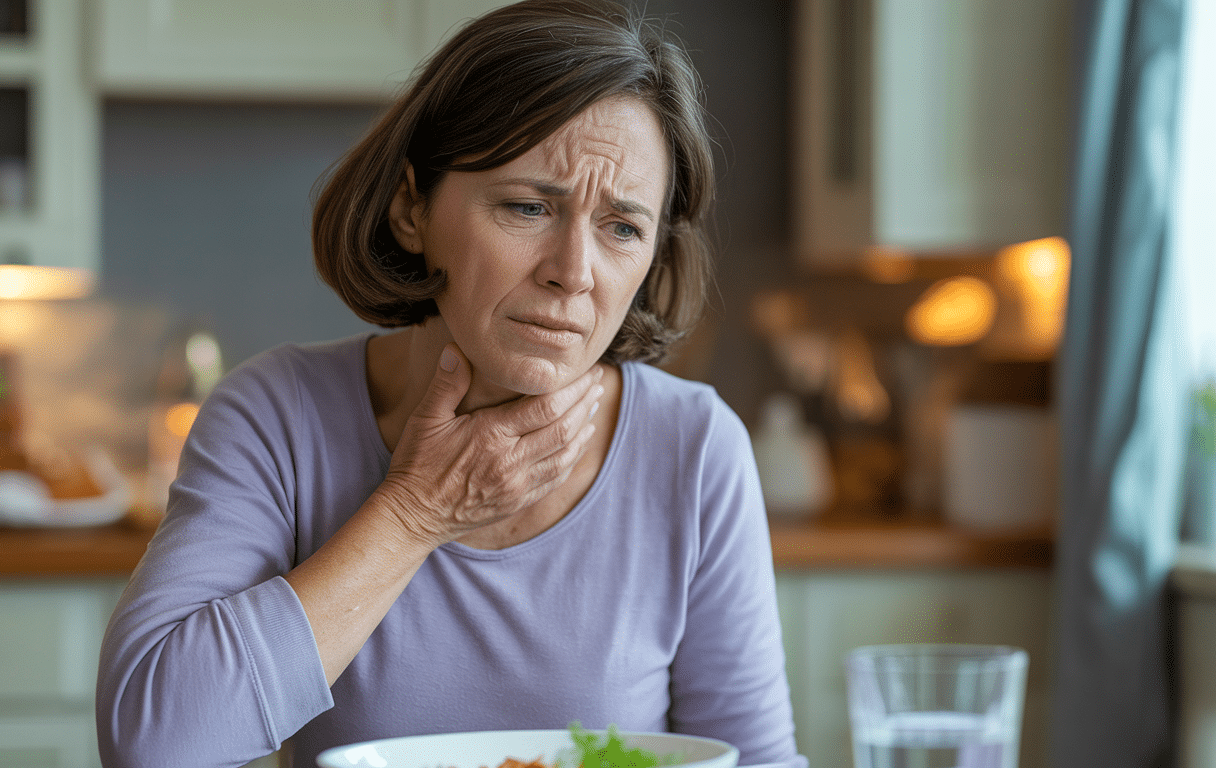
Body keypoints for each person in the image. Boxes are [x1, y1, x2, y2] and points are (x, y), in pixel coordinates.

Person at [96, 2, 809, 767]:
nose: (573, 272)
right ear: (412, 209)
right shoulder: (275, 417)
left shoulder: (694, 449)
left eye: (622, 228)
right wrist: (416, 511)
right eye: (528, 206)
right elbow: (153, 745)